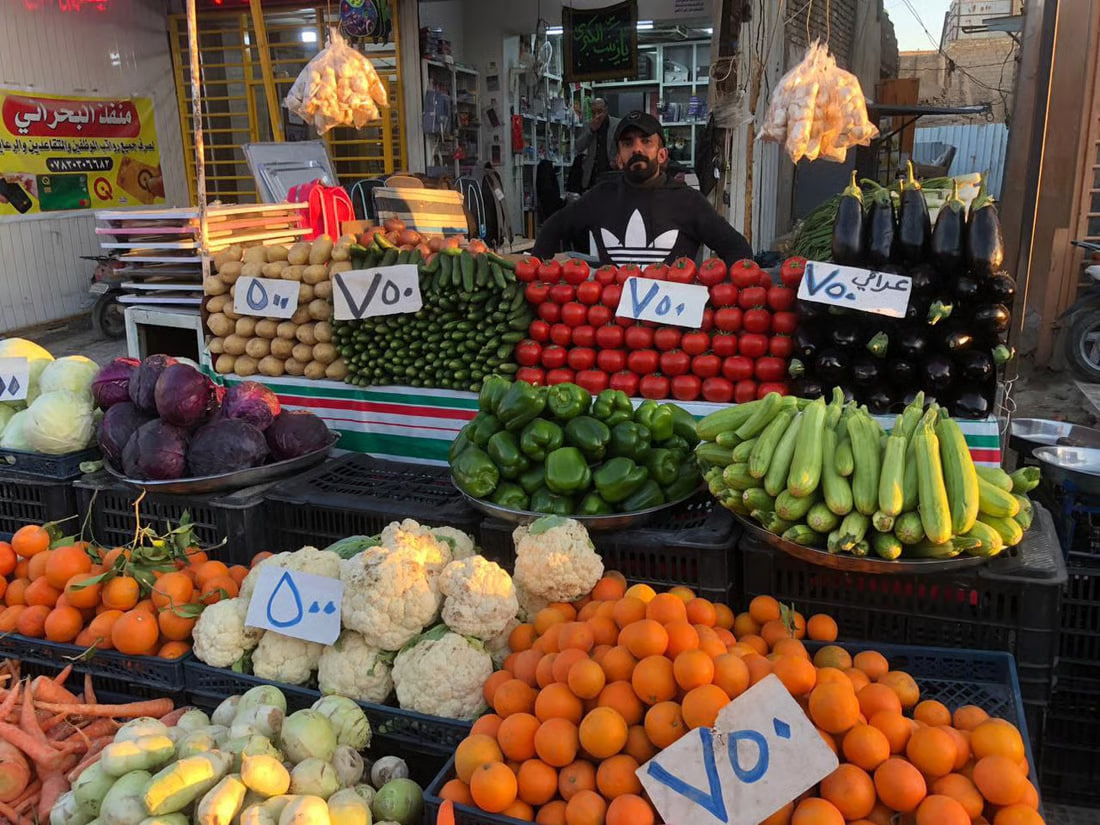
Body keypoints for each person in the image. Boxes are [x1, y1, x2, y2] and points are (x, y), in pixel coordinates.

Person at [532, 111, 753, 266]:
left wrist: (720, 298)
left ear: (662, 154)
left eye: (646, 141)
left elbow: (738, 250)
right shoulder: (600, 197)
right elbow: (552, 228)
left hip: (672, 317)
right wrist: (538, 281)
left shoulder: (688, 201)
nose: (637, 149)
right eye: (627, 143)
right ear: (619, 159)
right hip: (612, 316)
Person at [574, 98, 619, 192]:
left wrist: (617, 160)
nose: (597, 115)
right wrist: (591, 130)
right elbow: (578, 146)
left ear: (606, 110)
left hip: (611, 171)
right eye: (593, 112)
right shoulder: (588, 125)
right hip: (592, 173)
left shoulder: (617, 124)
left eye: (599, 111)